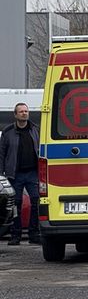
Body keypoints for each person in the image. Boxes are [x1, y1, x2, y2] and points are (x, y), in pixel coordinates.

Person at [0, 103, 40, 245]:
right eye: (21, 111)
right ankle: (15, 235)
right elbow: (2, 154)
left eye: (26, 111)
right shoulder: (8, 131)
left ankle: (34, 233)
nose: (24, 113)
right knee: (15, 204)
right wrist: (2, 174)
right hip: (14, 175)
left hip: (33, 173)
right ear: (15, 114)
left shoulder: (35, 129)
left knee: (37, 201)